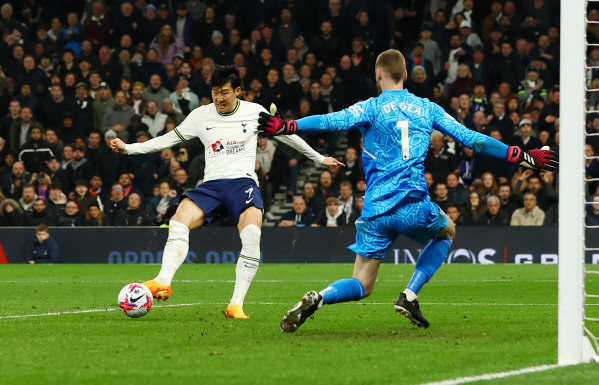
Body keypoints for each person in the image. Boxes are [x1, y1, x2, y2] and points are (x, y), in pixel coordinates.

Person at [258, 49, 557, 332]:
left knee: (361, 283)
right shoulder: (427, 108)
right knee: (447, 230)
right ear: (405, 74)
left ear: (378, 75)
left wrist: (286, 126)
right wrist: (524, 156)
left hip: (375, 208)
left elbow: (329, 120)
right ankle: (409, 295)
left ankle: (319, 297)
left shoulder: (371, 107)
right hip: (412, 204)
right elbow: (472, 139)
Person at [110, 65, 342, 319]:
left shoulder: (255, 112)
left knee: (252, 234)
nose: (219, 98)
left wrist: (319, 159)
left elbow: (286, 134)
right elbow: (168, 139)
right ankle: (163, 280)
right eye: (214, 93)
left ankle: (236, 305)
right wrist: (129, 148)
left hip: (242, 184)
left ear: (238, 91)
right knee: (178, 222)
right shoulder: (200, 116)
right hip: (211, 185)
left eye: (224, 92)